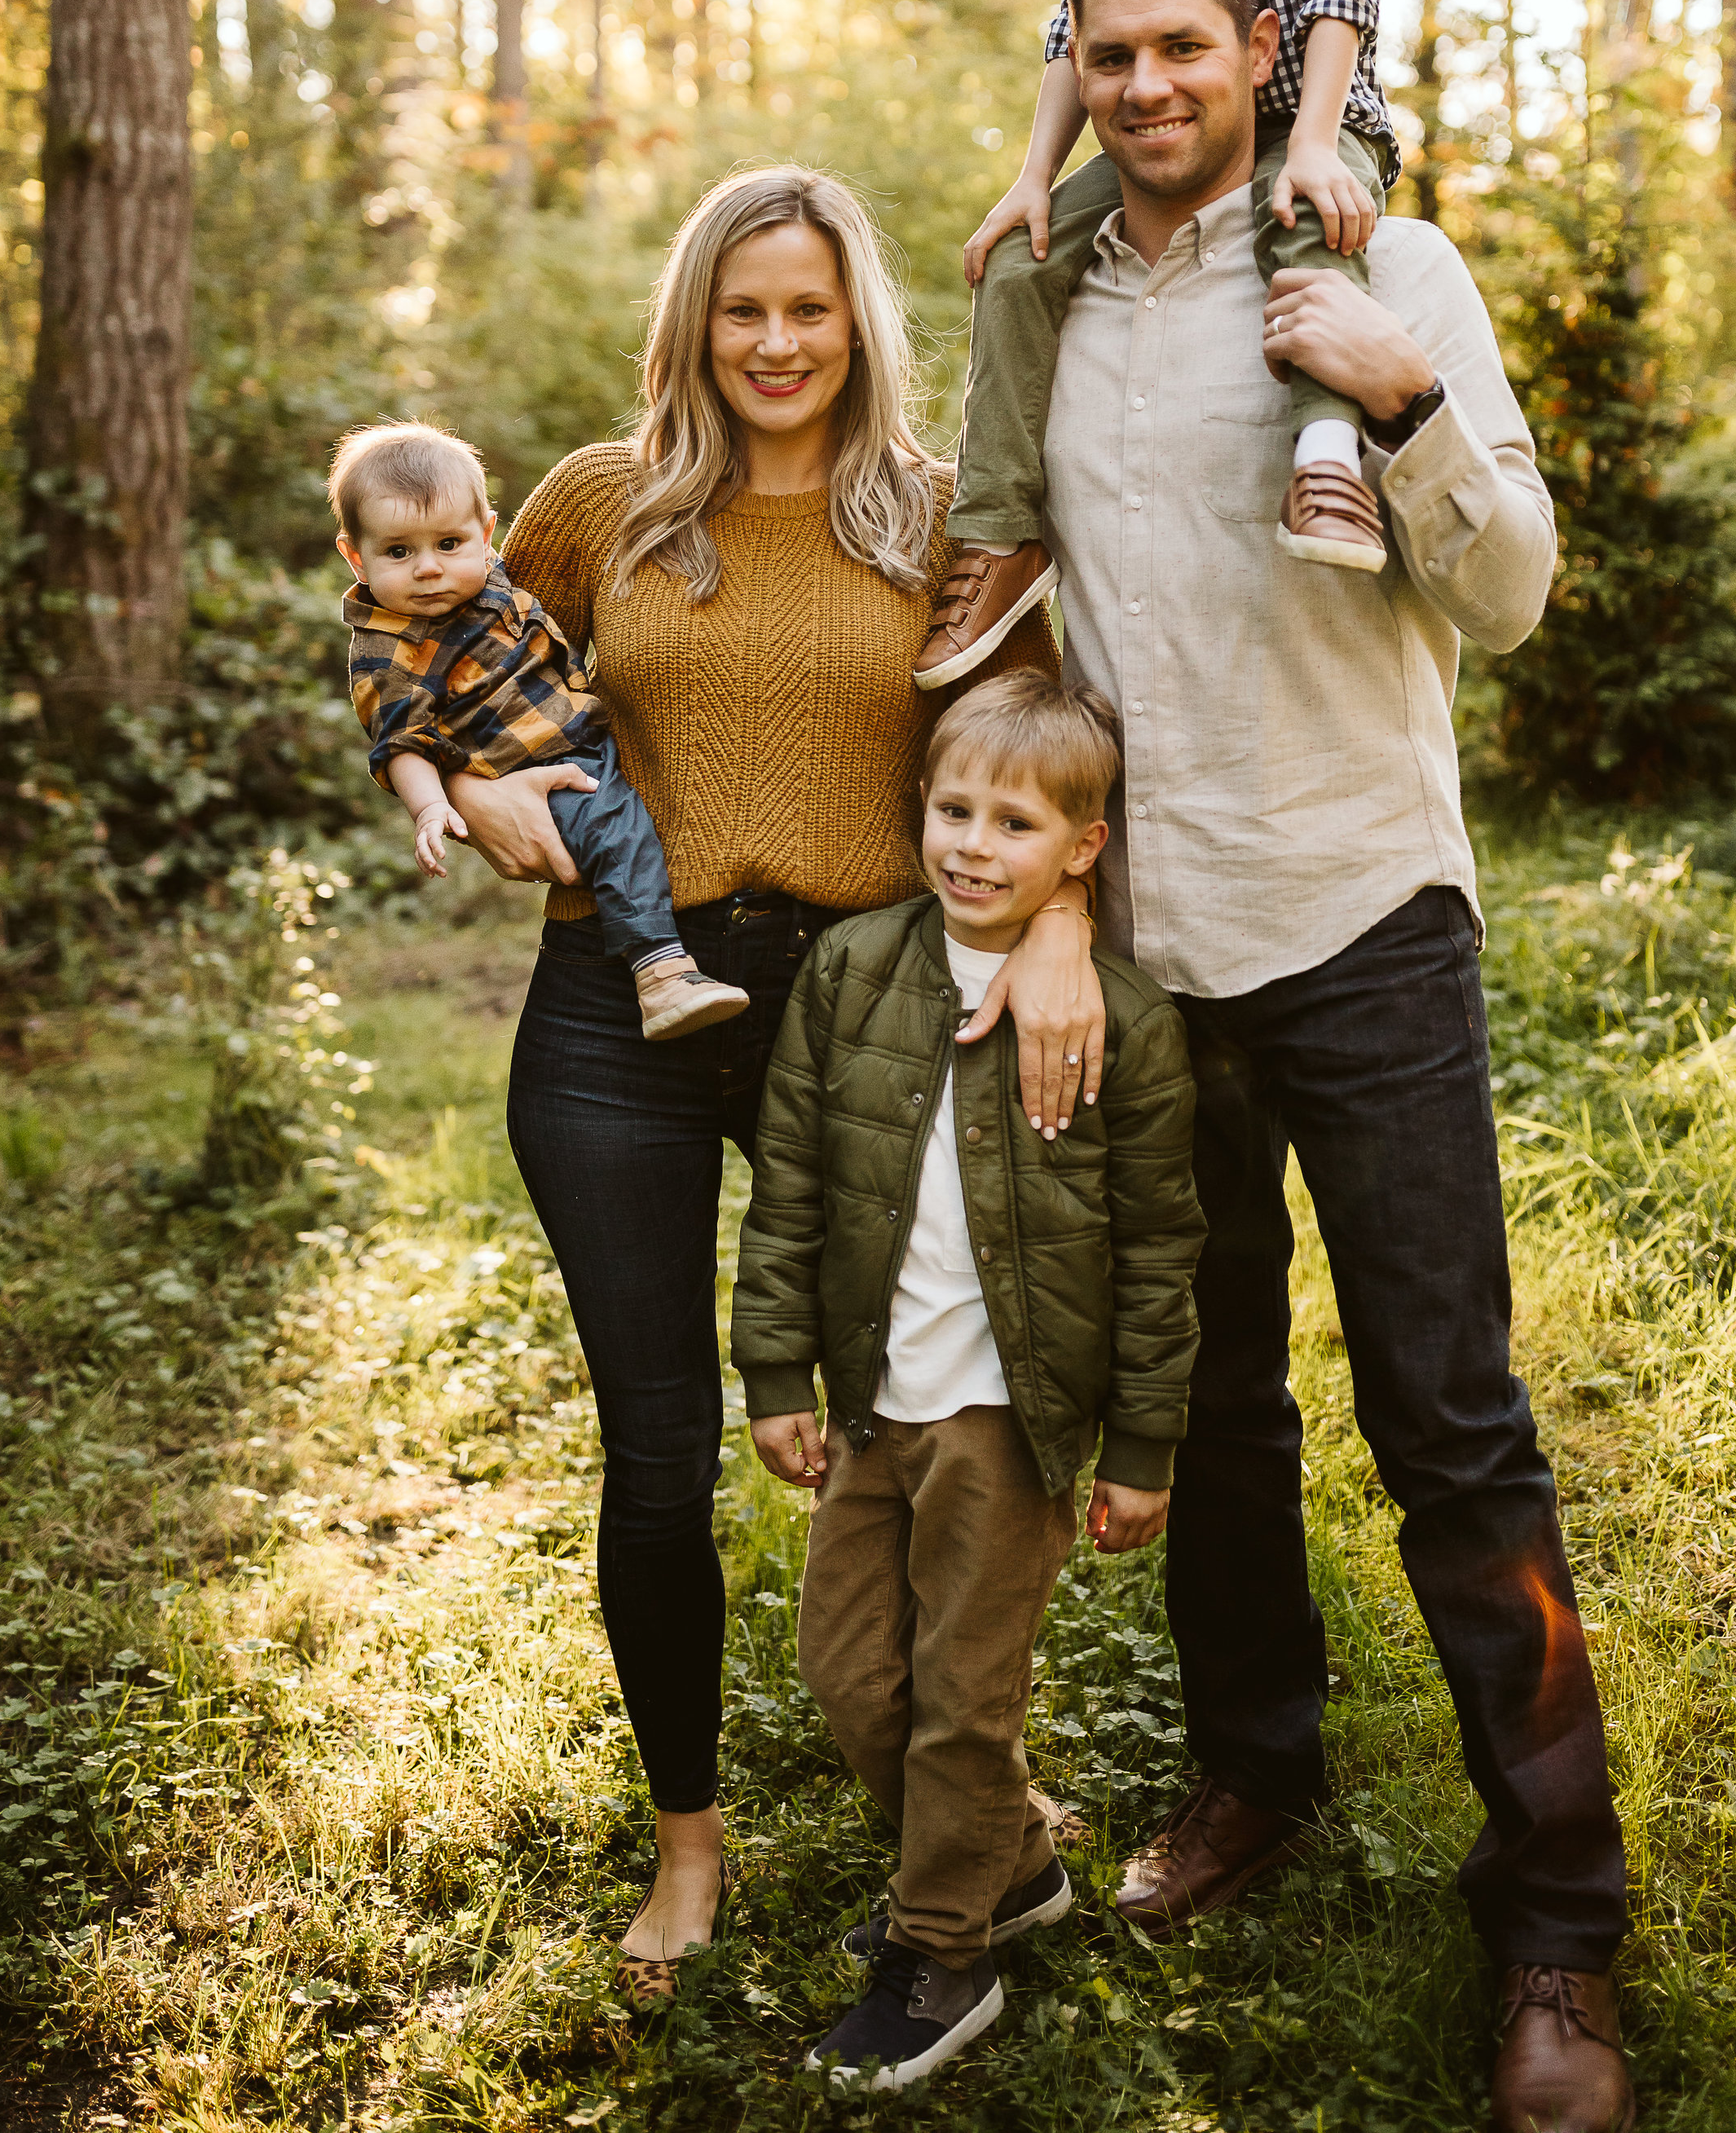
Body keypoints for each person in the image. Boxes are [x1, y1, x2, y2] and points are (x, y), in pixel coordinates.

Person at [1029, 0, 1636, 2133]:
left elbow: (1511, 589)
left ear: (1257, 38)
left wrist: (1394, 401)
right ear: (1075, 65)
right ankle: (1253, 1767)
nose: (1150, 87)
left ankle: (1557, 1915)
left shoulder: (1393, 264)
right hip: (1157, 940)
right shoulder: (1055, 297)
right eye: (1110, 56)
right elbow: (1029, 615)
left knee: (1446, 1416)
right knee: (1206, 1412)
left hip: (1362, 908)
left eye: (1185, 46)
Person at [436, 167, 1106, 2002]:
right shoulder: (600, 504)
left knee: (922, 1424)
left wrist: (1059, 927)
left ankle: (967, 1807)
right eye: (743, 310)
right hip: (621, 1008)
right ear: (694, 323)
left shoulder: (936, 520)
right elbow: (445, 665)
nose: (777, 343)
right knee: (655, 1450)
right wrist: (474, 792)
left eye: (808, 308)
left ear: (857, 321)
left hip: (865, 1010)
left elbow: (1034, 744)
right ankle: (688, 1844)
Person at [733, 672, 1205, 2091]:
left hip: (1014, 1419)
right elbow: (794, 1185)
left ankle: (943, 1956)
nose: (971, 843)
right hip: (878, 1400)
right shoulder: (855, 972)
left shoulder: (1119, 1020)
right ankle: (1009, 1861)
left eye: (1013, 821)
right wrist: (775, 1369)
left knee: (961, 1696)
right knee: (843, 1668)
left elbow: (1160, 1248)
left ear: (1081, 852)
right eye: (952, 809)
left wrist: (1143, 1442)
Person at [914, 0, 1396, 694]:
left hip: (1315, 115)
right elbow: (1074, 33)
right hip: (1165, 132)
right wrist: (1035, 177)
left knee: (1303, 225)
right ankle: (998, 533)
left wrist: (1317, 142)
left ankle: (1325, 463)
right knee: (1023, 265)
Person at [329, 418, 748, 1042]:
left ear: (486, 534)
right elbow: (400, 744)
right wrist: (432, 808)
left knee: (629, 827)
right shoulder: (390, 652)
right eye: (398, 552)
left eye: (448, 543)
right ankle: (660, 972)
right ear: (354, 555)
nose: (428, 570)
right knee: (618, 832)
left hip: (582, 739)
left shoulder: (488, 577)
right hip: (531, 772)